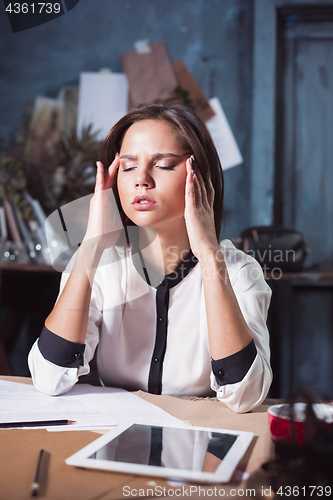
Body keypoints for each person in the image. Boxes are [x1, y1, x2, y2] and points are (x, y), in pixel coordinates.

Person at [28, 103, 272, 413]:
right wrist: (90, 246)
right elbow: (50, 378)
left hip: (199, 440)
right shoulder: (98, 264)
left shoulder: (239, 272)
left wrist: (210, 258)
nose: (141, 179)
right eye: (128, 166)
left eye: (164, 164)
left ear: (200, 177)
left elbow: (245, 396)